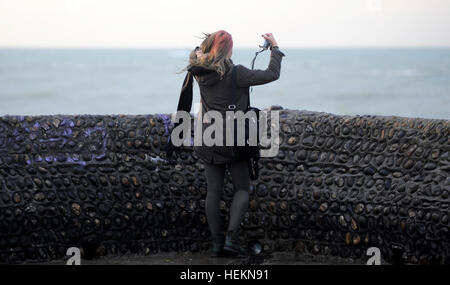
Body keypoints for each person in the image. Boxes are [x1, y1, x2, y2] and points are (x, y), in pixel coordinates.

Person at [184, 30, 285, 257]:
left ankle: (216, 244)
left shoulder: (199, 70)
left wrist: (202, 51)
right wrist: (274, 48)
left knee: (213, 192)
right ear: (229, 49)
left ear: (209, 47)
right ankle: (231, 239)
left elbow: (196, 53)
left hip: (207, 139)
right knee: (242, 188)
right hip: (233, 141)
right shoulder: (236, 73)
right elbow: (272, 74)